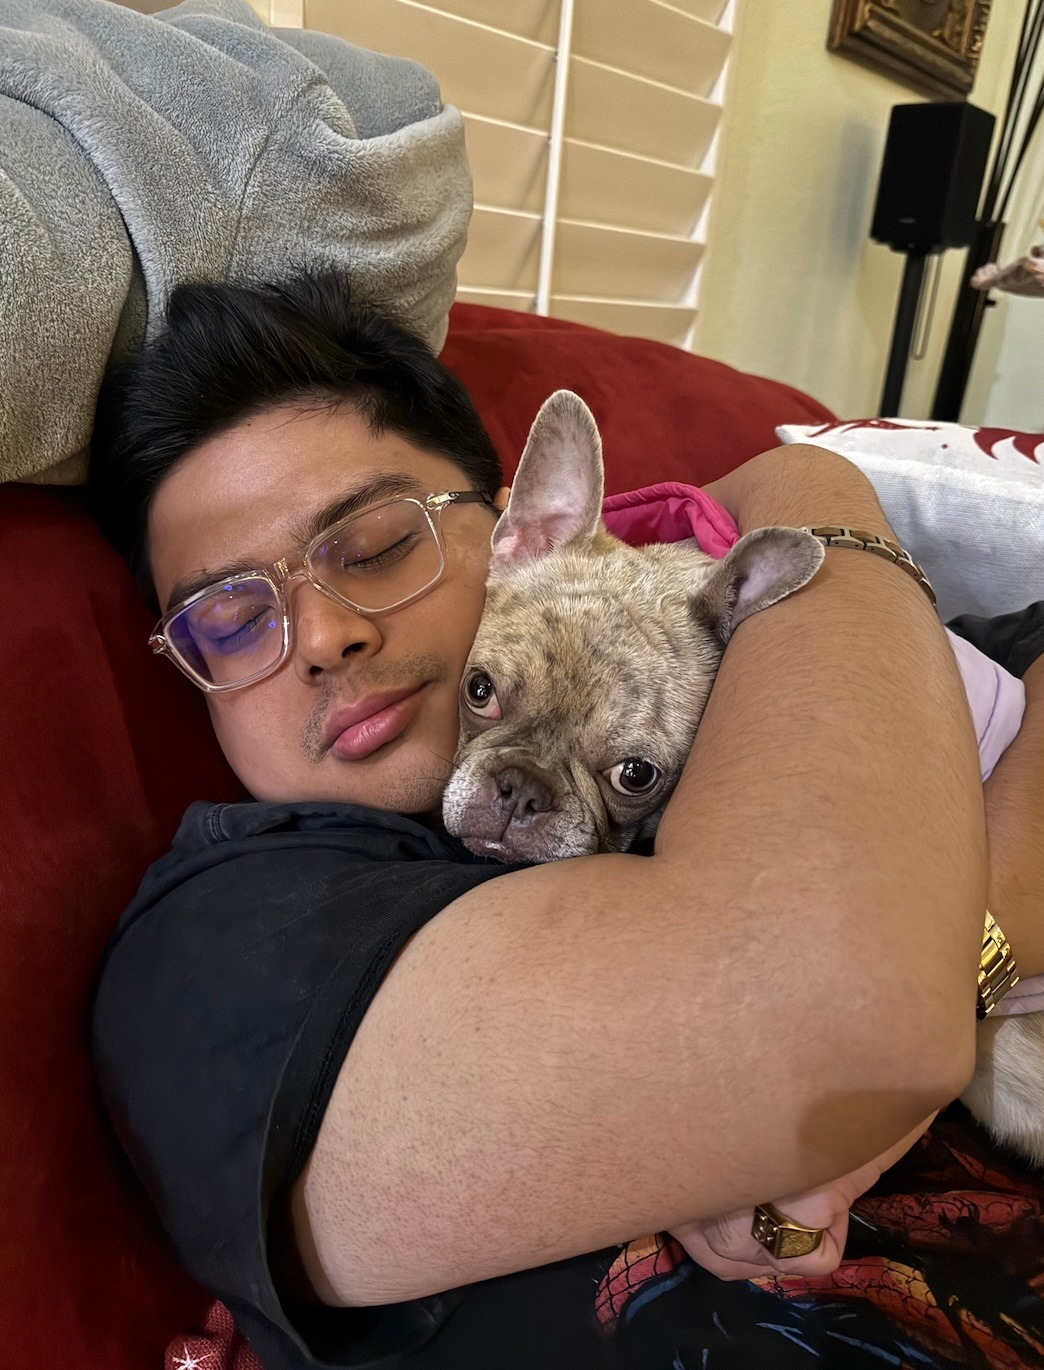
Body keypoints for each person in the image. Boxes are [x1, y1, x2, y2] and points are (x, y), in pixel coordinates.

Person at [89, 274, 1044, 1370]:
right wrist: (820, 499)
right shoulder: (219, 951)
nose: (321, 635)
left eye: (375, 546)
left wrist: (817, 488)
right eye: (230, 612)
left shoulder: (678, 639)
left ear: (515, 528)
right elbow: (846, 1019)